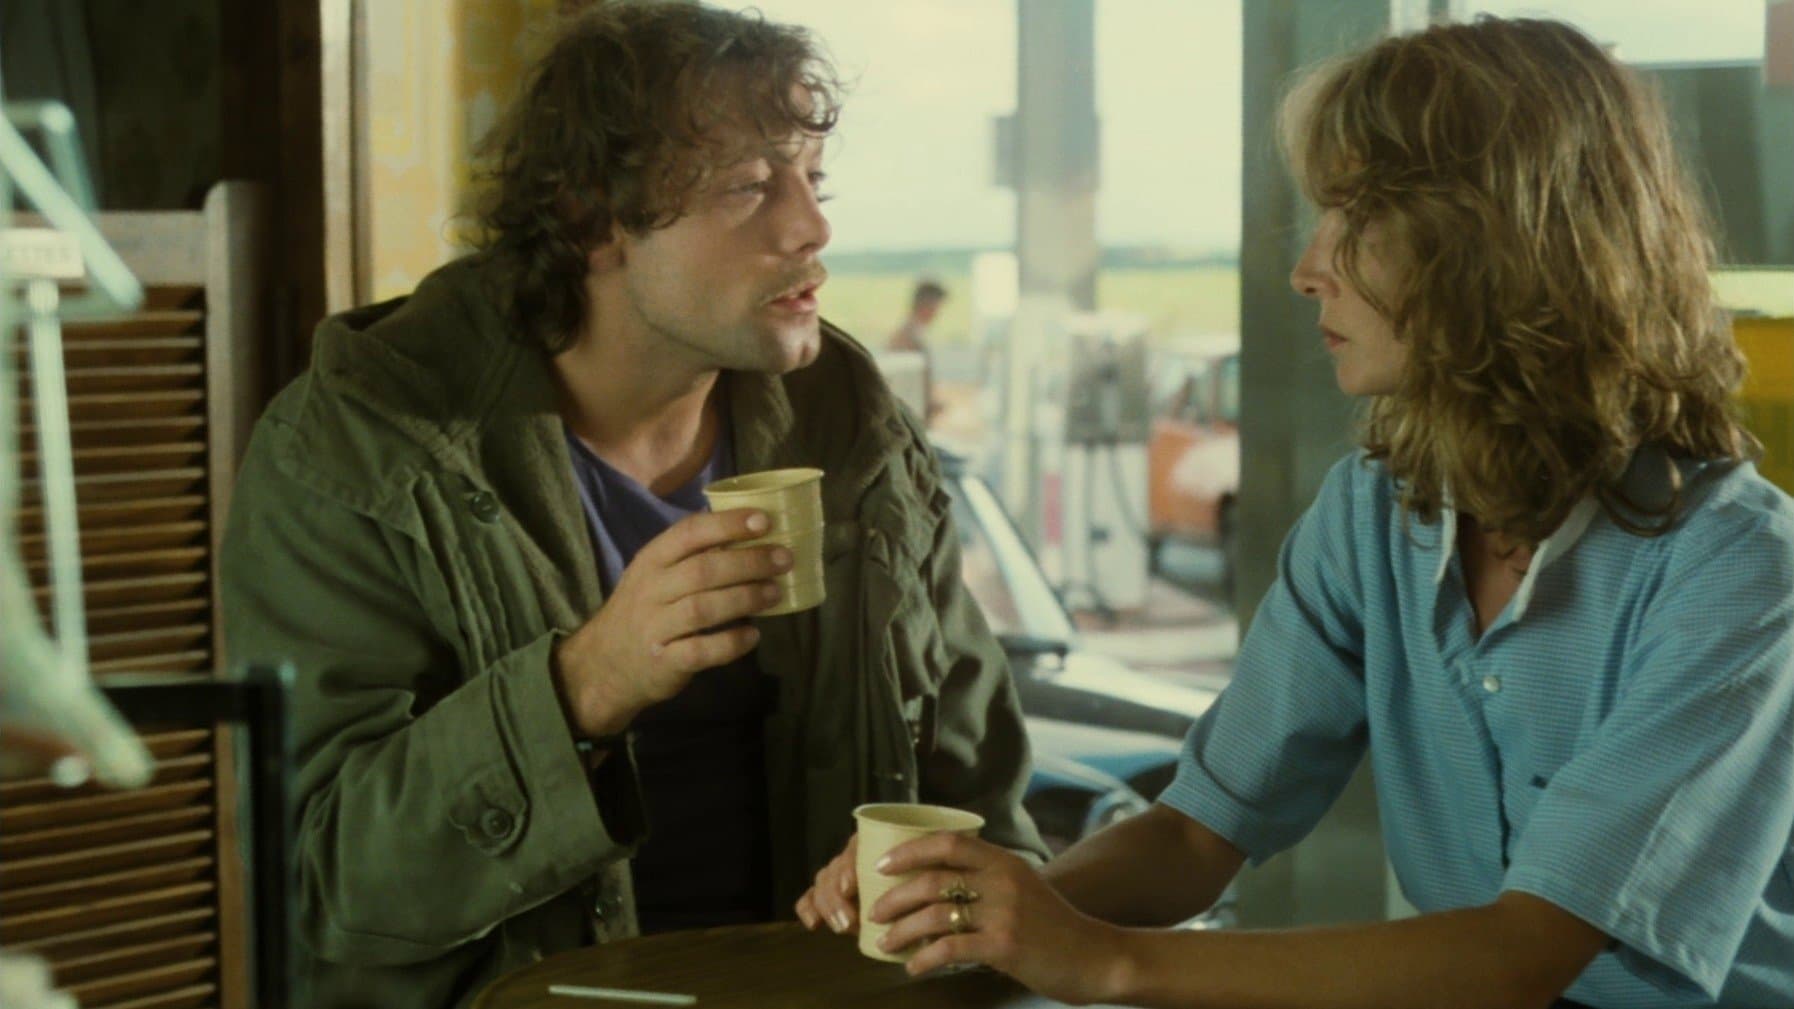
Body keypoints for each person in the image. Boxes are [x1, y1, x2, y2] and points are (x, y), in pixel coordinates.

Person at [829, 17, 1794, 1009]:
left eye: (1356, 217)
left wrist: (1103, 961)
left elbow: (1520, 957)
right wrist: (961, 912)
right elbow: (1195, 834)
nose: (1307, 268)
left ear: (1495, 243)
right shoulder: (1374, 512)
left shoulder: (1739, 569)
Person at [219, 4, 1044, 1006]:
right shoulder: (360, 445)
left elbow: (987, 814)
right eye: (749, 187)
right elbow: (319, 880)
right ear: (591, 220)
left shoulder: (852, 422)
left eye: (812, 181)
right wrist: (584, 686)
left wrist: (967, 916)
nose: (811, 227)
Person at [887, 279, 947, 420]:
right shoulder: (906, 337)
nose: (937, 313)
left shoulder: (913, 334)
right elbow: (903, 387)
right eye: (936, 307)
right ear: (926, 306)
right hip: (911, 416)